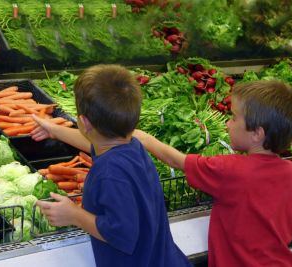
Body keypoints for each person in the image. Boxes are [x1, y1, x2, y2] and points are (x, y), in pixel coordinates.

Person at [32, 64, 192, 267]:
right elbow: (93, 142)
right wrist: (54, 130)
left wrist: (74, 215)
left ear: (84, 122)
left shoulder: (110, 172)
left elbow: (122, 232)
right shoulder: (132, 147)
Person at [133, 80, 292, 267]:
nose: (227, 123)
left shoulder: (231, 170)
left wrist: (143, 138)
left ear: (257, 133)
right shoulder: (291, 172)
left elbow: (176, 161)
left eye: (233, 117)